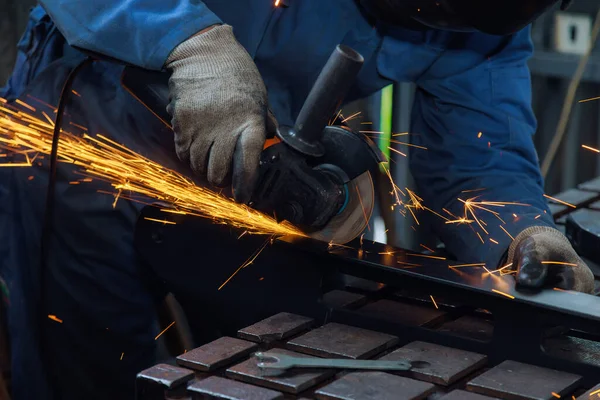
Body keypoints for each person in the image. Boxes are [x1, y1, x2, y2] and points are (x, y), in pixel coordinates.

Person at [0, 0, 594, 398]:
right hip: (90, 135)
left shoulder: (488, 24)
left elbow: (478, 161)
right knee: (87, 368)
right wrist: (188, 42)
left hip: (257, 172)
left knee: (257, 367)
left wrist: (521, 233)